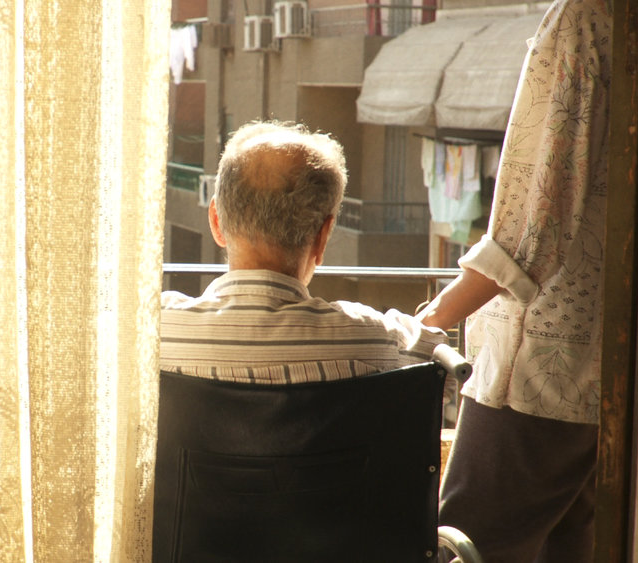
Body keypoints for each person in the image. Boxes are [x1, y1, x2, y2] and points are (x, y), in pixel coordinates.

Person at [416, 0, 611, 560]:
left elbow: (535, 223)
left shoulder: (584, 17)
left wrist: (429, 322)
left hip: (541, 368)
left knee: (466, 547)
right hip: (612, 371)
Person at [160, 121, 446, 382]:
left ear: (215, 221)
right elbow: (437, 359)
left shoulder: (155, 327)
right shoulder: (370, 338)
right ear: (323, 236)